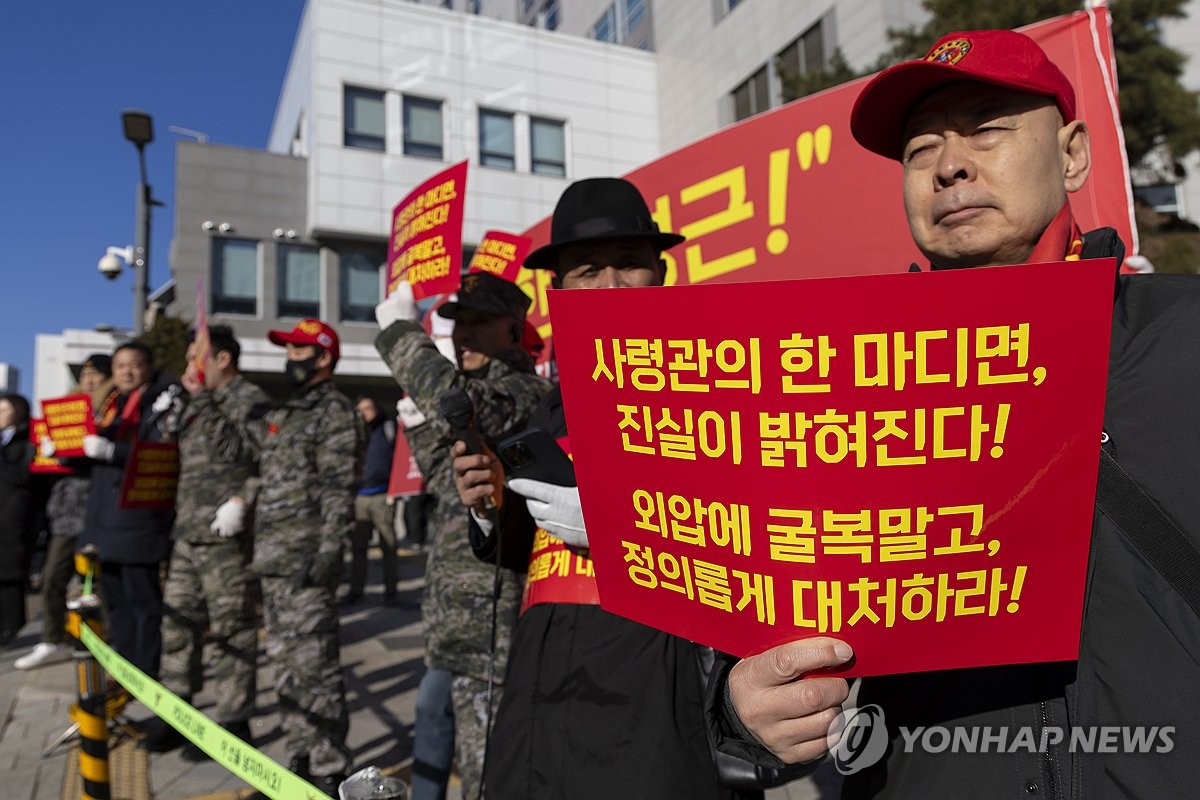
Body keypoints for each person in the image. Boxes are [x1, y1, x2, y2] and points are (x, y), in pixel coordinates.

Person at [709, 29, 1200, 798]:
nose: (949, 166)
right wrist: (746, 710)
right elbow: (772, 627)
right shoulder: (838, 397)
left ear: (1072, 154)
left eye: (987, 129)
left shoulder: (1185, 335)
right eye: (920, 151)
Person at [452, 177, 762, 799]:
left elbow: (767, 538)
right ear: (559, 291)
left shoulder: (722, 391)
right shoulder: (545, 415)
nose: (610, 287)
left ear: (661, 275)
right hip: (540, 698)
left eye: (628, 266)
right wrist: (491, 509)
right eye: (588, 270)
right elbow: (534, 550)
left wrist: (622, 524)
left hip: (658, 697)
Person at [374, 270, 551, 800]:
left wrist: (401, 335)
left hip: (492, 628)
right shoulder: (484, 391)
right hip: (453, 617)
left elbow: (461, 404)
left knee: (485, 770)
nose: (463, 334)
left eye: (479, 322)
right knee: (432, 733)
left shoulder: (527, 392)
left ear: (514, 330)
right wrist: (416, 422)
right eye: (456, 323)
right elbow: (444, 483)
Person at [140, 325, 269, 760]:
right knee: (178, 624)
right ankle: (175, 712)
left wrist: (242, 501)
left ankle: (234, 721)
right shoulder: (195, 401)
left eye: (198, 356)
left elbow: (262, 459)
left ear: (223, 359)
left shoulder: (248, 398)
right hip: (187, 534)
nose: (190, 365)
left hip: (225, 537)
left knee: (232, 629)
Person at [245, 319, 362, 798]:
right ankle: (300, 755)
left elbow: (339, 489)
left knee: (316, 667)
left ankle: (330, 766)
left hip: (307, 560)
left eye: (298, 350)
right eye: (288, 350)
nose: (289, 357)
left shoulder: (334, 411)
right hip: (275, 559)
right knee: (285, 665)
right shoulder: (289, 412)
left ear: (324, 357)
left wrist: (329, 552)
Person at [77, 342, 180, 677]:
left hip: (139, 520)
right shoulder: (109, 405)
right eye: (120, 366)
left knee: (143, 603)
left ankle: (145, 672)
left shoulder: (162, 402)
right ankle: (123, 669)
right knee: (116, 604)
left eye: (134, 364)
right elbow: (92, 456)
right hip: (105, 522)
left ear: (148, 368)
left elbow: (160, 453)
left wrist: (112, 451)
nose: (126, 371)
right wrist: (64, 450)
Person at [16, 355, 117, 669]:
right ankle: (52, 638)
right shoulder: (67, 407)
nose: (89, 379)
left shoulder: (114, 408)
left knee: (97, 580)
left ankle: (104, 641)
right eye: (85, 373)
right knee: (53, 576)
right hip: (65, 507)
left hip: (98, 503)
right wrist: (50, 451)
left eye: (96, 374)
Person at [346, 395, 402, 605]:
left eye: (368, 408)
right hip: (360, 497)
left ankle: (391, 593)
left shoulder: (388, 429)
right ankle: (356, 590)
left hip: (382, 495)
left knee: (388, 545)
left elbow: (400, 459)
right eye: (361, 410)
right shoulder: (353, 433)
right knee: (358, 547)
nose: (365, 413)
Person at [0, 393, 37, 646]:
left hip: (13, 515)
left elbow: (24, 476)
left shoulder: (28, 440)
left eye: (4, 409)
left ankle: (11, 628)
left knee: (9, 574)